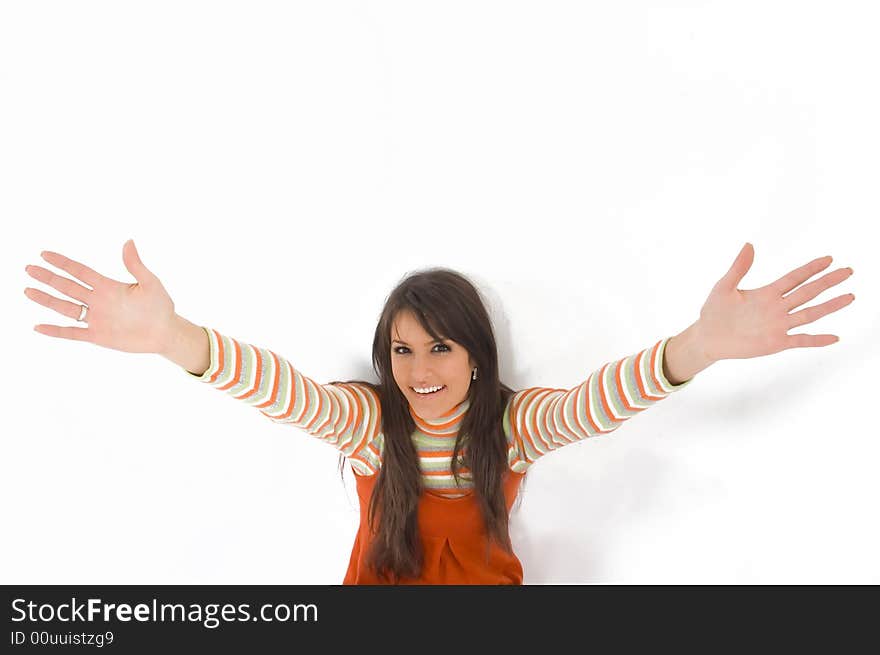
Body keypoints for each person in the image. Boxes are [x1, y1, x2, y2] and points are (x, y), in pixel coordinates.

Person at [23, 240, 855, 584]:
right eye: (403, 350)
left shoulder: (510, 426)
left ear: (476, 355)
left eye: (441, 349)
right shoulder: (365, 424)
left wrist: (699, 346)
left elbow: (597, 403)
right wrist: (174, 337)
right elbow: (280, 390)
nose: (420, 370)